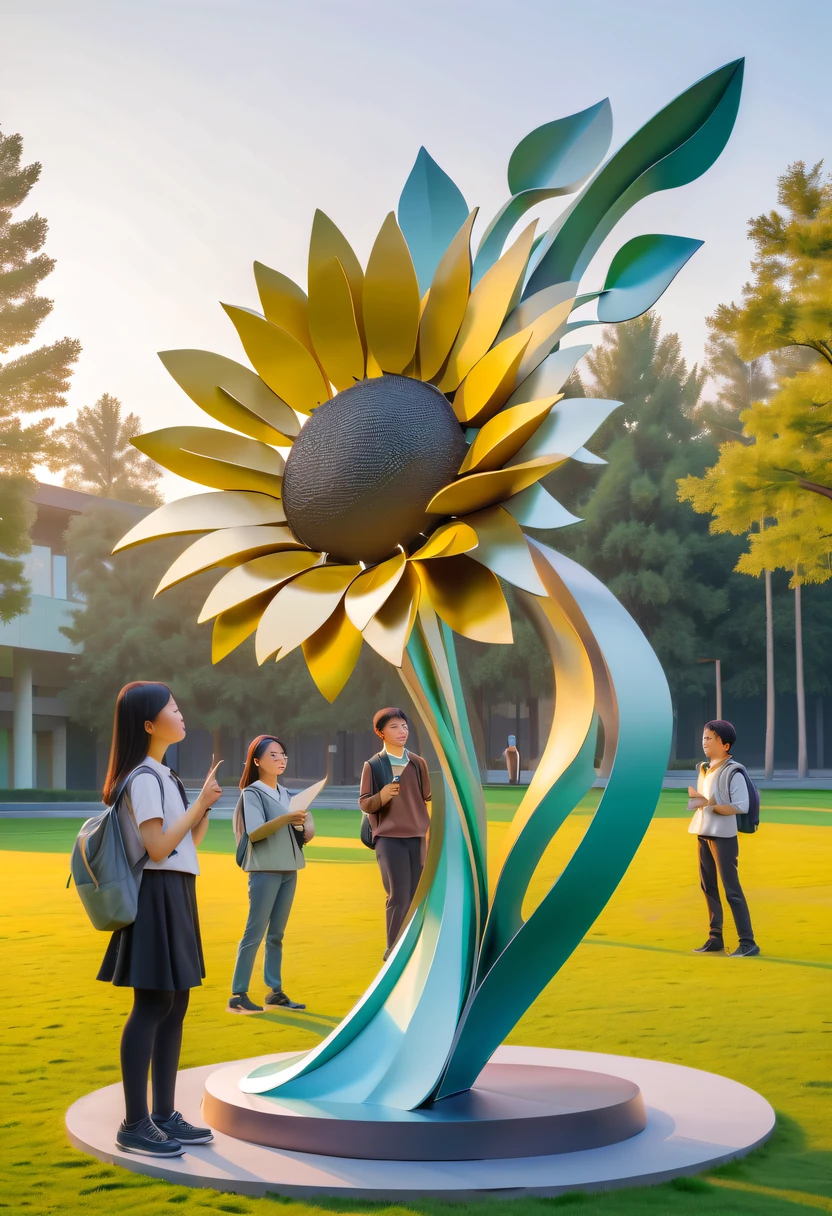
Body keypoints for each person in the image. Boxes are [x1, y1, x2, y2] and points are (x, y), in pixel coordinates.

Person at [98, 681, 223, 1158]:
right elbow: (156, 847)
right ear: (149, 724)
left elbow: (190, 840)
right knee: (152, 1006)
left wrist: (203, 804)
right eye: (173, 706)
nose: (181, 711)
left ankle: (165, 1115)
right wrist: (196, 806)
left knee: (176, 1005)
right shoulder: (144, 779)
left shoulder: (164, 775)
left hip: (176, 890)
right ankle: (135, 1123)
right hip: (154, 894)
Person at [228, 735, 314, 1014]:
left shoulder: (288, 794)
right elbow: (255, 831)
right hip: (265, 869)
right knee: (255, 931)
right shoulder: (251, 793)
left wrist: (305, 823)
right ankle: (238, 994)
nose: (281, 760)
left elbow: (304, 835)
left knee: (276, 934)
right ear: (257, 761)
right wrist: (287, 818)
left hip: (290, 868)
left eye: (283, 755)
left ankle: (274, 992)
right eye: (274, 755)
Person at [359, 707, 431, 957]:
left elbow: (428, 798)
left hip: (418, 837)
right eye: (394, 727)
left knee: (416, 895)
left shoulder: (418, 763)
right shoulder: (374, 765)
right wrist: (382, 795)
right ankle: (393, 949)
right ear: (380, 732)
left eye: (404, 726)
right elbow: (365, 803)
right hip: (389, 839)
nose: (402, 731)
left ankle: (413, 946)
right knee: (398, 894)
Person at [687, 719, 760, 958]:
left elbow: (741, 805)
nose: (704, 743)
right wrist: (701, 802)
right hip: (703, 832)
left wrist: (714, 806)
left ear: (725, 744)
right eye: (704, 738)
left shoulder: (733, 771)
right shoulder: (704, 768)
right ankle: (715, 937)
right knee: (708, 886)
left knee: (731, 889)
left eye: (710, 738)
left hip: (723, 837)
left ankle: (748, 943)